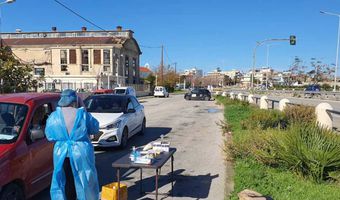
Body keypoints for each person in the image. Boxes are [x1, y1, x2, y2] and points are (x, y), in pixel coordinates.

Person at [45, 89, 100, 200]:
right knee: (84, 180)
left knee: (65, 181)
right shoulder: (82, 114)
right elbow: (95, 128)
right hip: (81, 152)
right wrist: (83, 107)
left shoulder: (54, 116)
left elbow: (49, 136)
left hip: (61, 154)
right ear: (74, 100)